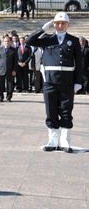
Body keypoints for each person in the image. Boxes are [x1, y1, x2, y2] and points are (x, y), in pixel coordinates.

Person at [25, 12, 83, 153]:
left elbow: (79, 63)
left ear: (67, 25)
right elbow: (29, 41)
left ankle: (64, 142)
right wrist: (43, 29)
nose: (60, 25)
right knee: (51, 111)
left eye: (63, 23)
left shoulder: (73, 41)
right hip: (50, 81)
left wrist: (78, 82)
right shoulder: (47, 39)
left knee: (66, 112)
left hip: (67, 81)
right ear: (54, 24)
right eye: (57, 23)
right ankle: (52, 141)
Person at [0, 36, 18, 102]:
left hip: (10, 70)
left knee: (10, 85)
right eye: (5, 41)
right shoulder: (0, 49)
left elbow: (15, 61)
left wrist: (14, 70)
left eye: (8, 41)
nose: (6, 42)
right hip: (1, 70)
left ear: (10, 42)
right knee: (0, 85)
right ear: (3, 42)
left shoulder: (13, 50)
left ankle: (9, 97)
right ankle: (0, 97)